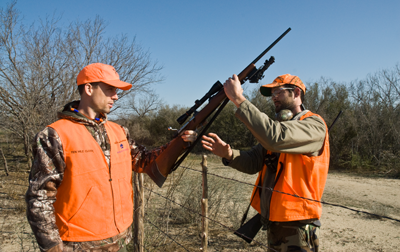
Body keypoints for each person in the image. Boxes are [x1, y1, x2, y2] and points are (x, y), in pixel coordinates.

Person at [25, 63, 197, 252]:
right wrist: (52, 248)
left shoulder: (119, 131)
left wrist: (179, 142)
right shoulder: (54, 135)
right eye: (110, 89)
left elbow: (143, 161)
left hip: (121, 239)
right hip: (77, 244)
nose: (115, 96)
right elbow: (39, 198)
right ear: (89, 88)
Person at [202, 73, 329, 252]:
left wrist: (239, 99)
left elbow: (274, 137)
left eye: (279, 91)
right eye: (272, 93)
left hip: (297, 224)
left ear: (297, 93)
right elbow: (254, 161)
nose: (274, 96)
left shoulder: (314, 125)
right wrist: (229, 154)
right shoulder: (280, 128)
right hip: (274, 222)